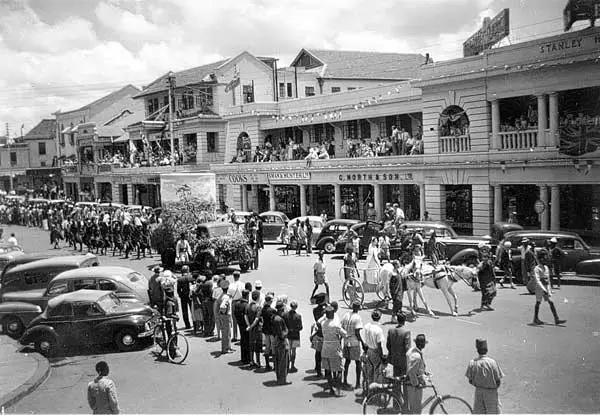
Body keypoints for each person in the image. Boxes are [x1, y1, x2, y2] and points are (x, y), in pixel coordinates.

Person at [466, 339, 504, 414]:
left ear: (477, 350)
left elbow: (470, 381)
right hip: (491, 393)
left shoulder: (472, 362)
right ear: (486, 349)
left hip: (479, 392)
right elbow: (498, 381)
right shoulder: (492, 362)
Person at [532, 249, 567, 326]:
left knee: (551, 302)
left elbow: (548, 280)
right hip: (539, 288)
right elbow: (537, 280)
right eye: (544, 258)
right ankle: (535, 318)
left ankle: (556, 319)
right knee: (538, 302)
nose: (545, 259)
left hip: (545, 288)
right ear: (540, 259)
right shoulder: (537, 269)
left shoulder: (546, 268)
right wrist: (543, 289)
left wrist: (549, 290)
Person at [387, 312, 411, 412]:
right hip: (403, 362)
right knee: (405, 384)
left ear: (397, 319)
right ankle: (406, 407)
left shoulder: (391, 330)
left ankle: (396, 406)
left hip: (394, 360)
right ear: (404, 320)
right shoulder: (406, 332)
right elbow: (407, 349)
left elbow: (388, 345)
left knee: (396, 384)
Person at [321, 305, 347, 395]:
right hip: (335, 349)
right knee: (339, 369)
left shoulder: (323, 324)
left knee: (328, 370)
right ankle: (338, 390)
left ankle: (331, 388)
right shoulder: (336, 325)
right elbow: (344, 334)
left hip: (325, 348)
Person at [341, 300, 364, 390]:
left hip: (346, 341)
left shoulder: (346, 315)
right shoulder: (357, 318)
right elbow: (357, 332)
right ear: (358, 308)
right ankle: (358, 383)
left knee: (347, 362)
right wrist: (362, 342)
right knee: (358, 362)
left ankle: (345, 380)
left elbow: (342, 327)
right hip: (354, 342)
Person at [362, 310, 385, 395]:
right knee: (376, 373)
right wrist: (381, 356)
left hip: (368, 351)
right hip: (375, 352)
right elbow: (379, 345)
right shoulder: (378, 330)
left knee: (369, 373)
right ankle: (374, 393)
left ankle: (368, 391)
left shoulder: (367, 326)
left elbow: (364, 339)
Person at [406, 333, 428, 414]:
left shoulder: (412, 350)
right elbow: (411, 372)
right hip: (413, 384)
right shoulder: (417, 356)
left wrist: (423, 371)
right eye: (423, 343)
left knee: (413, 406)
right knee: (416, 406)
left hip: (412, 381)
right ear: (421, 344)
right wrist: (416, 384)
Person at [272, 301, 291, 385]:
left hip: (276, 340)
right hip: (281, 341)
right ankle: (282, 380)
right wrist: (287, 332)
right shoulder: (279, 319)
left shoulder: (274, 317)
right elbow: (281, 334)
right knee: (283, 361)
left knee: (277, 360)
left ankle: (279, 378)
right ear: (282, 309)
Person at [245, 290, 263, 368]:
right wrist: (252, 326)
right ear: (258, 297)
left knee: (251, 344)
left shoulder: (248, 306)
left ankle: (251, 361)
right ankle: (258, 362)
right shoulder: (258, 307)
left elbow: (245, 316)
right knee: (258, 345)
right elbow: (256, 319)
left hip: (250, 329)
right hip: (257, 329)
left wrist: (248, 325)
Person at [283, 300, 303, 373]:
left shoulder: (285, 315)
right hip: (295, 336)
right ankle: (292, 365)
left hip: (287, 336)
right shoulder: (298, 316)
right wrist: (294, 329)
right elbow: (300, 327)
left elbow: (284, 325)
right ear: (296, 307)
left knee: (287, 351)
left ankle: (287, 365)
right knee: (294, 352)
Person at [477, 243, 497, 311]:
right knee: (486, 292)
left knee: (493, 291)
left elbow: (491, 266)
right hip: (483, 277)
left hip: (489, 277)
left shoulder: (488, 258)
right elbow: (480, 265)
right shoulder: (482, 258)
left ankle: (487, 304)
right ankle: (484, 305)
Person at [234, 289, 251, 364]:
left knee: (242, 340)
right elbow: (246, 316)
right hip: (245, 325)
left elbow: (234, 313)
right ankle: (247, 359)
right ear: (247, 295)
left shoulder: (237, 304)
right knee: (247, 341)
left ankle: (243, 357)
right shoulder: (246, 305)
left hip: (240, 324)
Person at [217, 279, 233, 354]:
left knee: (227, 332)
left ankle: (228, 347)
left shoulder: (221, 296)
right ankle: (225, 349)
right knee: (225, 333)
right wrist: (224, 313)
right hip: (226, 316)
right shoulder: (226, 297)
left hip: (223, 316)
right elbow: (223, 307)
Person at [228, 271, 245, 342]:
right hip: (241, 302)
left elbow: (230, 295)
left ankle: (235, 336)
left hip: (234, 302)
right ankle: (242, 336)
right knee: (241, 320)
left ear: (233, 276)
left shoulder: (231, 285)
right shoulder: (243, 284)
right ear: (239, 276)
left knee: (234, 319)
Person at [177, 265, 194, 329]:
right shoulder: (191, 277)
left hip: (183, 296)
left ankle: (187, 324)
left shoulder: (180, 279)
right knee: (192, 310)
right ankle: (195, 323)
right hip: (190, 295)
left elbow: (178, 290)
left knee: (185, 311)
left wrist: (181, 295)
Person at [200, 271, 215, 337]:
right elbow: (211, 292)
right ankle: (211, 331)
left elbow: (198, 291)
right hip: (209, 301)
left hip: (203, 301)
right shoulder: (210, 283)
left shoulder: (203, 283)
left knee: (205, 316)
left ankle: (206, 330)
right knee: (211, 316)